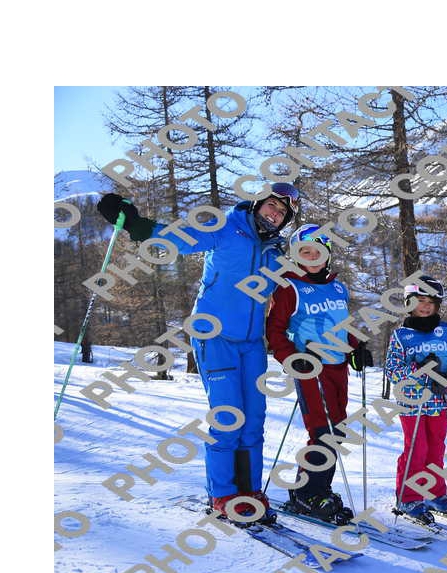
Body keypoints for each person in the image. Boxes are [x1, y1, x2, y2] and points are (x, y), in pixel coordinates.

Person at [97, 183, 301, 524]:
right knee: (228, 418)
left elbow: (298, 292)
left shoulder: (275, 251)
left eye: (282, 213)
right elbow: (180, 238)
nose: (275, 214)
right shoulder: (225, 227)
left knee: (254, 420)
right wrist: (135, 223)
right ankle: (223, 494)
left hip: (252, 343)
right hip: (214, 336)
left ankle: (249, 491)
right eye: (271, 206)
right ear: (258, 203)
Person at [266, 224, 372, 524]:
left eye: (317, 251)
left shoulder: (338, 288)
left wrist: (356, 348)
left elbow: (342, 325)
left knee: (336, 432)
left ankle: (317, 489)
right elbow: (274, 331)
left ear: (327, 254)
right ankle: (308, 494)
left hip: (338, 367)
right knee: (323, 431)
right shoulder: (289, 287)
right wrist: (293, 358)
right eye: (304, 251)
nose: (311, 256)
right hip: (311, 367)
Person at [384, 276, 447, 525]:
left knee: (436, 449)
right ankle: (408, 497)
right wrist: (418, 369)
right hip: (412, 403)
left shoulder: (445, 331)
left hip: (439, 402)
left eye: (431, 302)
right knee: (416, 449)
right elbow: (392, 370)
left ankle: (434, 493)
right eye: (420, 301)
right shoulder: (401, 335)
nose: (425, 306)